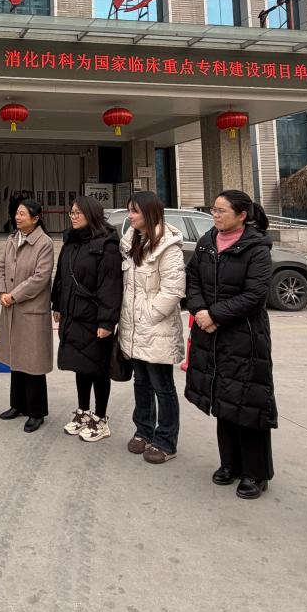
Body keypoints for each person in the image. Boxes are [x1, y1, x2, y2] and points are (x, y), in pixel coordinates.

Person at [184, 190, 277, 500]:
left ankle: (256, 473)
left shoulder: (256, 248)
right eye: (214, 209)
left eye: (222, 210)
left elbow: (255, 295)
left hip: (244, 336)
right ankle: (230, 464)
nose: (215, 214)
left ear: (242, 215)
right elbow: (192, 278)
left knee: (248, 402)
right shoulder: (207, 242)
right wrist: (200, 310)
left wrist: (215, 315)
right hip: (210, 334)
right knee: (222, 398)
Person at [119, 191, 186, 465]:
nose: (130, 216)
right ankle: (143, 431)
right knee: (141, 382)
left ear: (149, 213)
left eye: (134, 211)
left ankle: (166, 441)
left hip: (156, 329)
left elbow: (173, 290)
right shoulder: (131, 242)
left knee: (162, 386)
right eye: (129, 210)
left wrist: (148, 315)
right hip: (135, 328)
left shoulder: (168, 247)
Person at [51, 196, 122, 443]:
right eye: (71, 212)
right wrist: (57, 304)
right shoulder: (71, 242)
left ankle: (100, 419)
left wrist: (106, 322)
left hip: (94, 317)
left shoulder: (107, 245)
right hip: (73, 314)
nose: (73, 217)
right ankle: (83, 412)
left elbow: (111, 285)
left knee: (98, 368)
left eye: (78, 213)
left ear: (92, 214)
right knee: (79, 365)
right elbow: (61, 276)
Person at [0, 197, 55, 432]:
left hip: (31, 310)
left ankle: (37, 412)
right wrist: (1, 292)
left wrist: (14, 295)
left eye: (22, 214)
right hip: (11, 307)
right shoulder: (12, 239)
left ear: (35, 218)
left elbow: (40, 277)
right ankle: (17, 404)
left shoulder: (44, 243)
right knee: (16, 359)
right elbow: (1, 267)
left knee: (33, 362)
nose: (17, 217)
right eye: (17, 213)